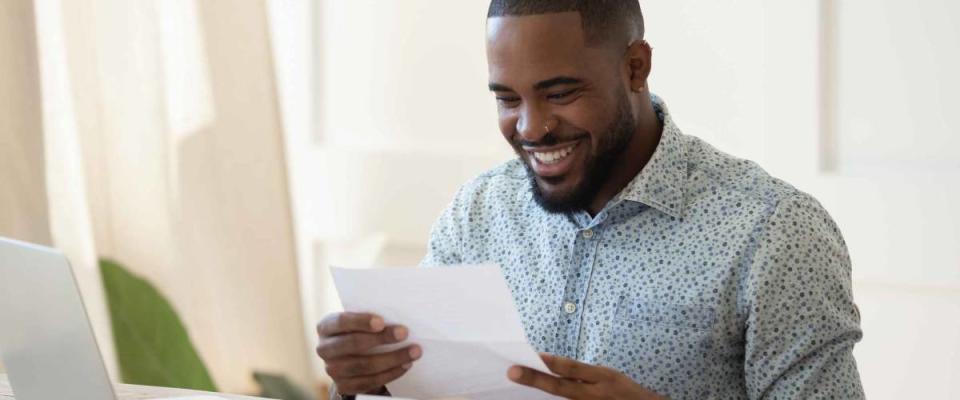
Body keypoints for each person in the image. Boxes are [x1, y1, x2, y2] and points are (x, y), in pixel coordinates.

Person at [315, 1, 865, 399]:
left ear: (635, 68)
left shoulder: (773, 231)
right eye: (508, 99)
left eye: (560, 93)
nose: (532, 128)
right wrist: (372, 380)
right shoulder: (477, 214)